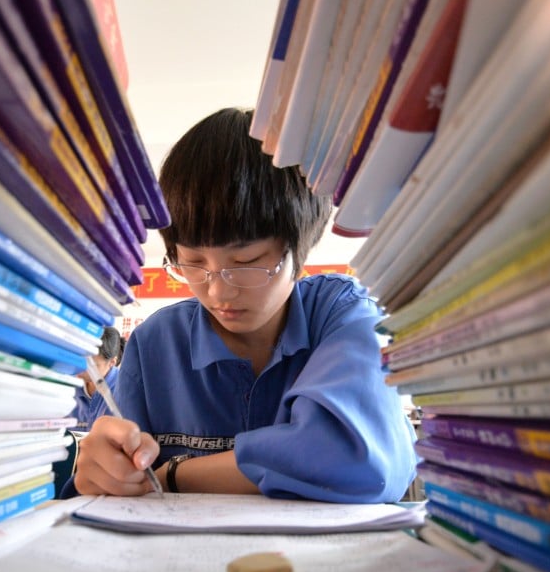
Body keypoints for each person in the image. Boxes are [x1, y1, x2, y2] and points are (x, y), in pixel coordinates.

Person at [66, 108, 417, 503]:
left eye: (247, 262)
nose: (218, 293)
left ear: (298, 251)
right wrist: (101, 471)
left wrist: (173, 475)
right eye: (194, 263)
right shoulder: (155, 343)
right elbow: (117, 478)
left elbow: (358, 461)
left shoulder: (342, 313)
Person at [71, 326, 125, 432]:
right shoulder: (71, 384)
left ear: (111, 363)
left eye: (93, 365)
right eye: (80, 360)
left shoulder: (124, 390)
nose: (81, 368)